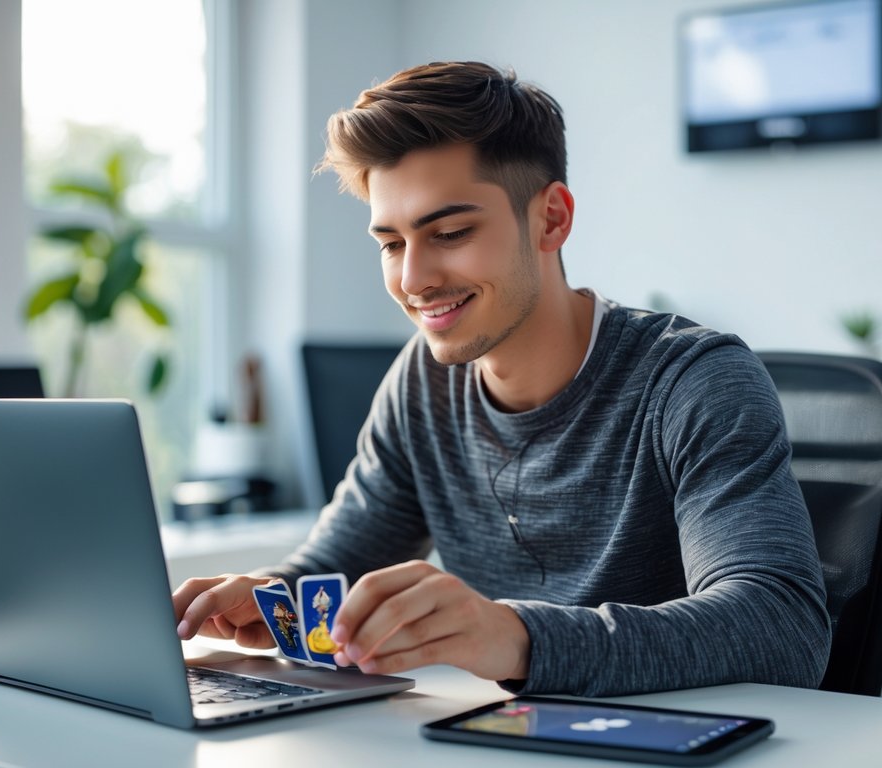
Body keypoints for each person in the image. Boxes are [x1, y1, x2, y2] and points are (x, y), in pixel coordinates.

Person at [174, 61, 830, 697]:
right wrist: (269, 598)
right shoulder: (421, 384)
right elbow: (334, 569)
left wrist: (513, 637)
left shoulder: (693, 381)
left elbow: (781, 626)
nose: (412, 280)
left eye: (450, 231)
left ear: (550, 218)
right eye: (392, 243)